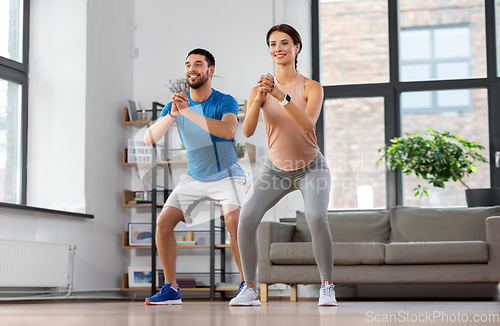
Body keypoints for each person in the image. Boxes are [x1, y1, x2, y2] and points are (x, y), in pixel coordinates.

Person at [229, 24, 337, 306]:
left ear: (296, 48)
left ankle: (327, 286)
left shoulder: (311, 87)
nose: (278, 49)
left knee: (315, 217)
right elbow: (249, 131)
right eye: (273, 44)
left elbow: (307, 125)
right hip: (275, 170)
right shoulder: (259, 90)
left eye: (284, 43)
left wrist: (280, 96)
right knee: (246, 218)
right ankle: (249, 288)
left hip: (311, 167)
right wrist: (259, 99)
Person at [143, 48, 247, 305]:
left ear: (210, 70)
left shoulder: (225, 101)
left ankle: (248, 286)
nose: (192, 68)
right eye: (188, 64)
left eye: (198, 64)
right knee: (163, 224)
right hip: (194, 178)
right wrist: (172, 114)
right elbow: (150, 138)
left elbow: (228, 130)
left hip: (227, 176)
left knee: (234, 220)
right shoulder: (175, 104)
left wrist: (188, 112)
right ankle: (171, 289)